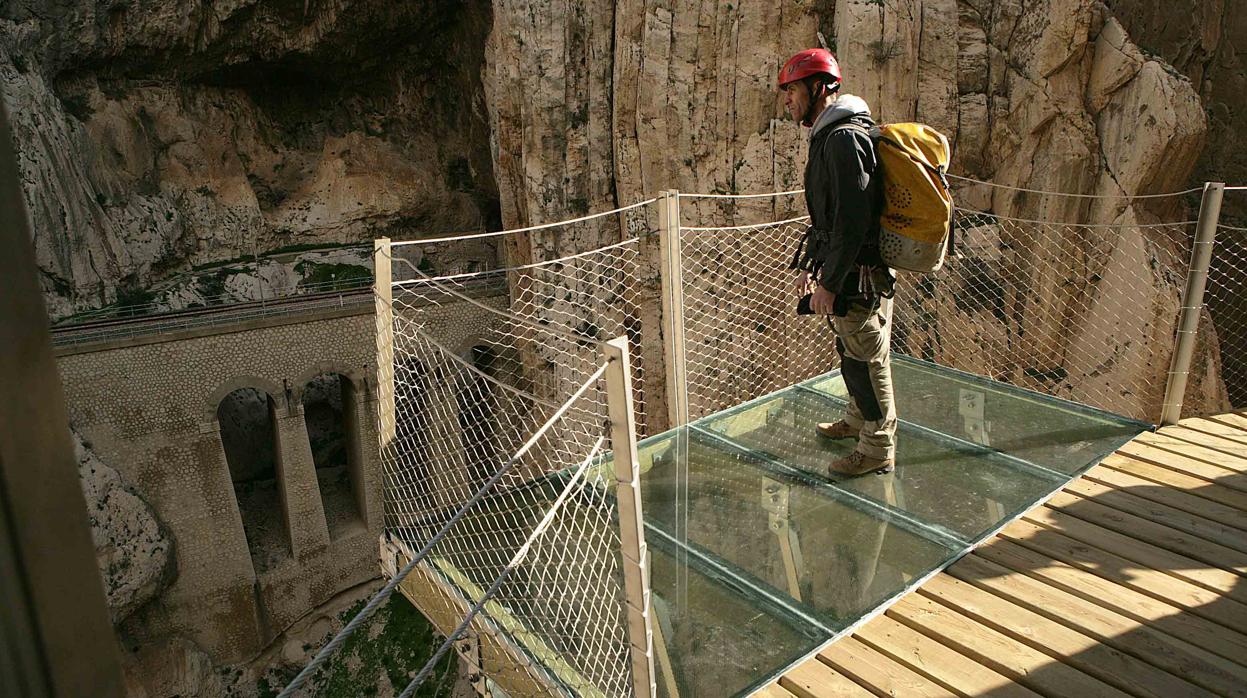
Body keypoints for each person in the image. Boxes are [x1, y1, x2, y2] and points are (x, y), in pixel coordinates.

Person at [779, 48, 897, 476]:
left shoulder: (844, 139)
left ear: (817, 87)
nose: (787, 101)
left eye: (792, 90)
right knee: (850, 345)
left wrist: (829, 281)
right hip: (848, 268)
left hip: (857, 271)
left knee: (867, 356)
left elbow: (852, 220)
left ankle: (877, 447)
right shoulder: (832, 135)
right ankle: (857, 420)